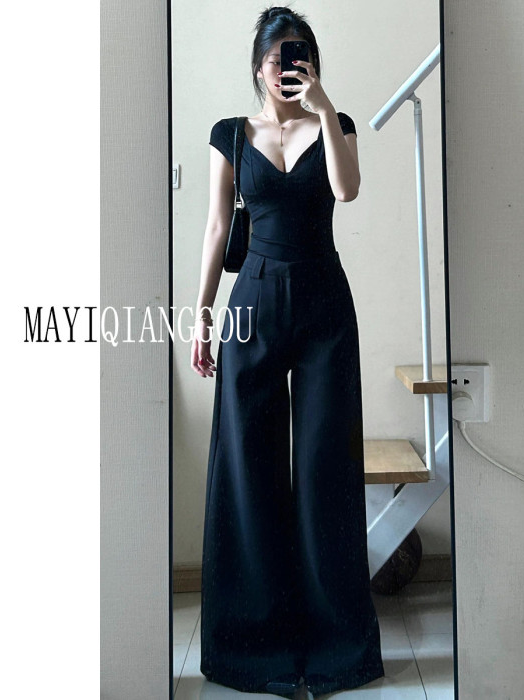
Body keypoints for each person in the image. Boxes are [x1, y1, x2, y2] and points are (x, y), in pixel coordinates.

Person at [190, 6, 385, 698]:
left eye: (301, 55)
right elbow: (218, 226)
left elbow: (347, 190)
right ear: (258, 66)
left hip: (324, 299)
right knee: (248, 465)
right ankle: (254, 646)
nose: (289, 67)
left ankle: (335, 649)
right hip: (254, 301)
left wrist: (324, 108)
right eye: (279, 57)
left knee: (327, 463)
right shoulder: (229, 135)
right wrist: (202, 313)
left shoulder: (336, 124)